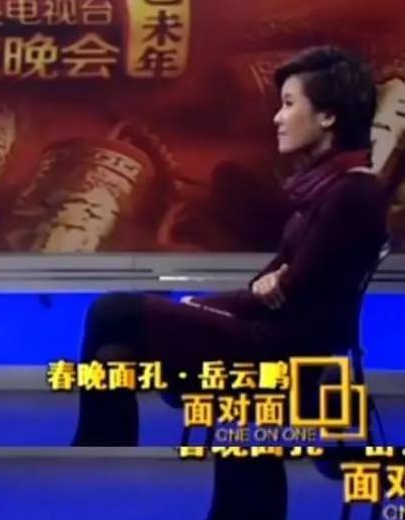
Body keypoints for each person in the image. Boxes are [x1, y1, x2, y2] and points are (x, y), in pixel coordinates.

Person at [73, 45, 388, 446]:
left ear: (327, 116)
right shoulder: (323, 189)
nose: (277, 118)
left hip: (282, 352)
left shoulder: (353, 193)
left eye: (289, 104)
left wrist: (246, 294)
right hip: (265, 334)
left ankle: (92, 449)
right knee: (112, 355)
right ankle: (102, 455)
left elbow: (292, 292)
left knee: (112, 310)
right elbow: (264, 285)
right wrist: (203, 305)